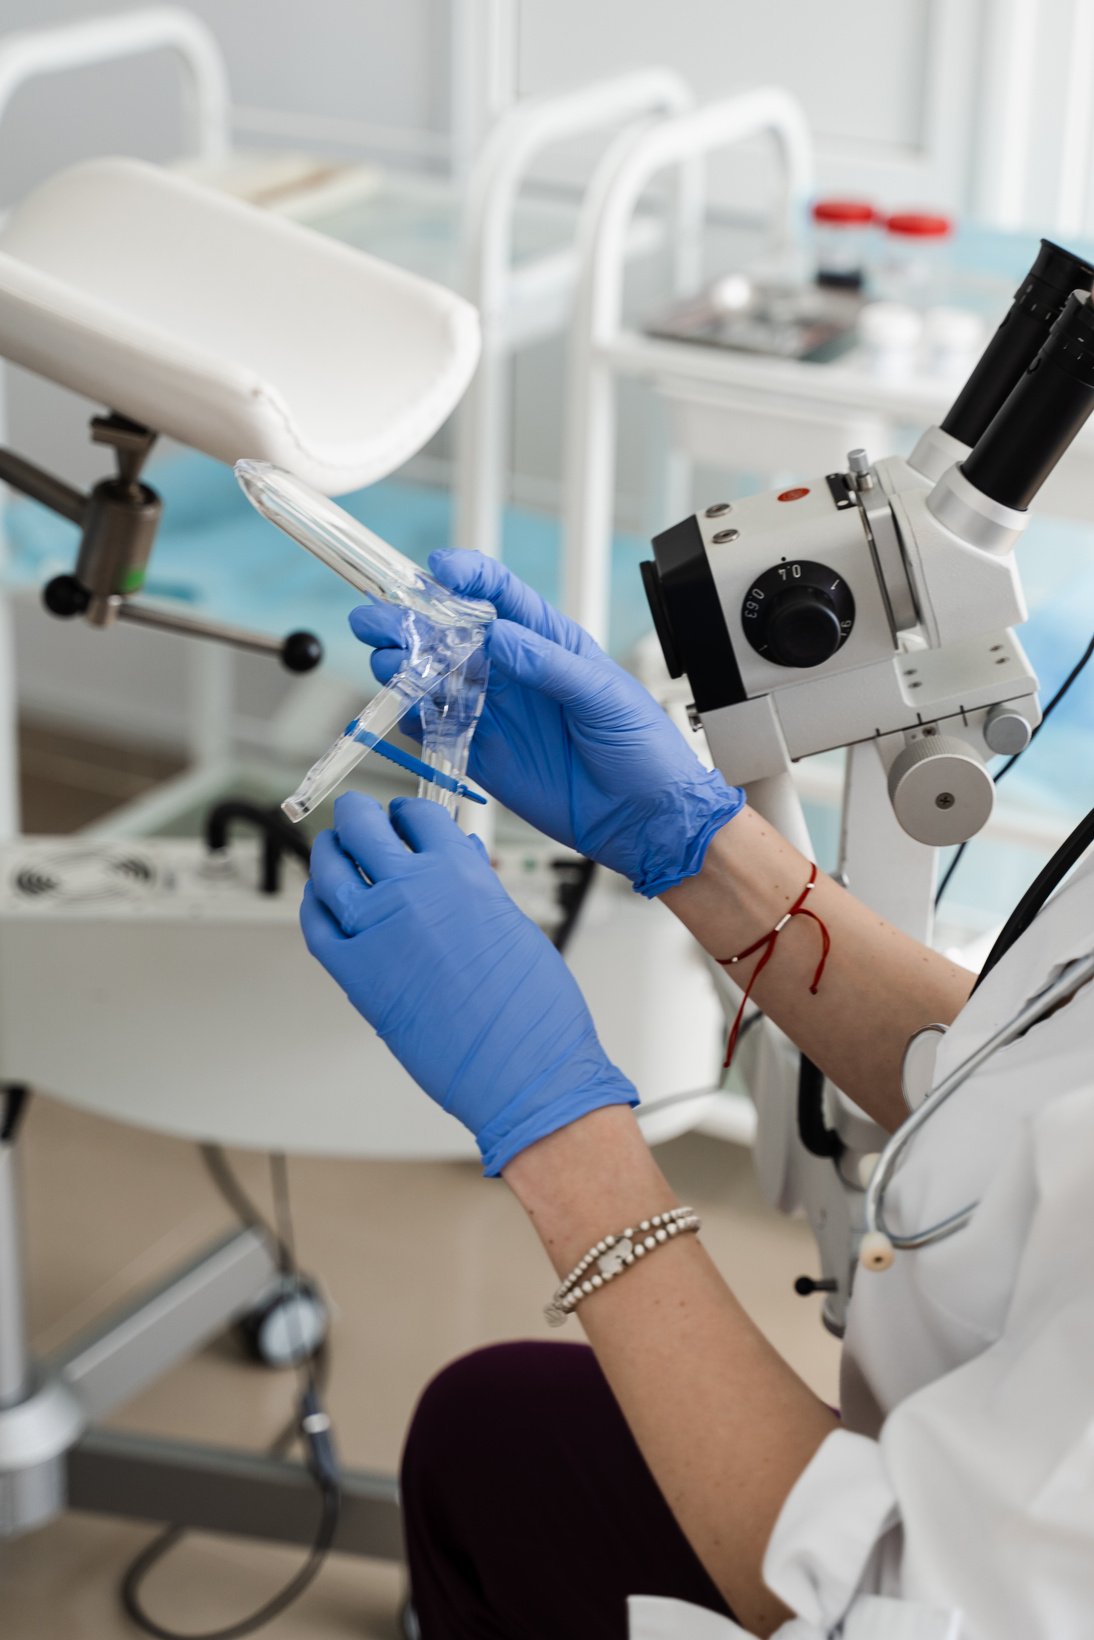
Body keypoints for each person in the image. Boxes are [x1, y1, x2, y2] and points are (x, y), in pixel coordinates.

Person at [301, 551, 1094, 1640]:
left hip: (929, 1590)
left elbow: (889, 1613)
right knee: (491, 1439)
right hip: (970, 1433)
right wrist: (689, 839)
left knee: (493, 1459)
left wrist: (555, 1122)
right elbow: (1044, 1068)